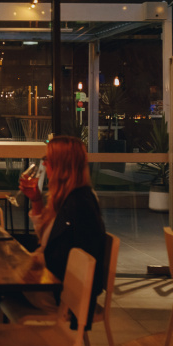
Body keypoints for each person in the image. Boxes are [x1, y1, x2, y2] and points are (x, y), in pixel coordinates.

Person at [19, 135, 106, 322]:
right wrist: (36, 200)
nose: (44, 164)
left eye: (47, 159)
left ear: (62, 165)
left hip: (62, 296)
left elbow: (65, 260)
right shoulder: (66, 197)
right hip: (55, 285)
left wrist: (29, 264)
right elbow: (47, 241)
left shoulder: (80, 205)